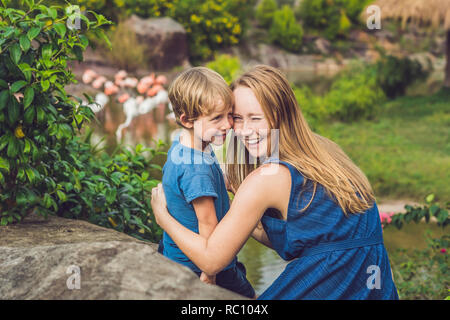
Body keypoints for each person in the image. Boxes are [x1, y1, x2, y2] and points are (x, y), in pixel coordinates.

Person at [151, 65, 399, 300]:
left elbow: (212, 261)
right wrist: (240, 204)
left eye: (255, 118)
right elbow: (312, 239)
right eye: (236, 118)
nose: (243, 130)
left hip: (328, 284)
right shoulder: (325, 153)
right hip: (371, 282)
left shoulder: (266, 179)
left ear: (280, 116)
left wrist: (164, 219)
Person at [157, 67, 255, 298]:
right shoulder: (196, 168)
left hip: (176, 253)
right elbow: (207, 223)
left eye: (229, 114)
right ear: (187, 120)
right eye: (216, 118)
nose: (227, 124)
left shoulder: (185, 146)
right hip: (201, 265)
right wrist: (209, 273)